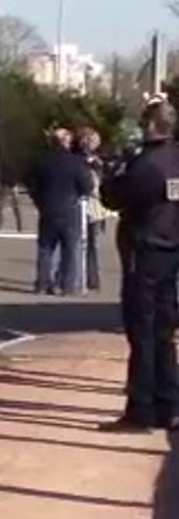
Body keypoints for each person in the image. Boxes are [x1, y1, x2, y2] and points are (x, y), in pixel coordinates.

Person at [99, 100, 179, 434]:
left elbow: (112, 196)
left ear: (150, 126)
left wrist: (113, 170)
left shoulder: (146, 165)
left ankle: (140, 408)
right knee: (164, 331)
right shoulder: (175, 159)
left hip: (143, 250)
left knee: (142, 330)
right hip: (170, 250)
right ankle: (169, 405)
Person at [30, 127, 93, 295]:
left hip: (48, 209)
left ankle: (42, 283)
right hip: (70, 208)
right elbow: (87, 185)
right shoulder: (75, 162)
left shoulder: (42, 161)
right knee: (70, 248)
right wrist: (80, 194)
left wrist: (40, 202)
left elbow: (33, 185)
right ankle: (67, 285)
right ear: (67, 142)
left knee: (46, 247)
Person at [78, 128, 107, 292]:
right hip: (87, 206)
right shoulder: (84, 161)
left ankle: (92, 278)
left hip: (94, 208)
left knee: (91, 244)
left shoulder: (97, 162)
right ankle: (87, 277)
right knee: (87, 244)